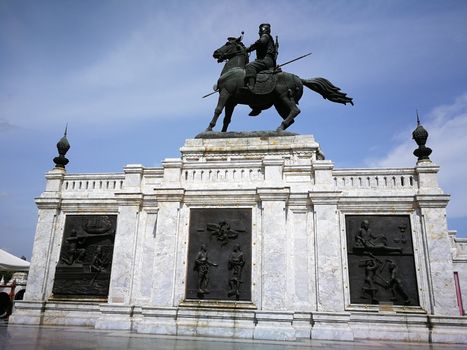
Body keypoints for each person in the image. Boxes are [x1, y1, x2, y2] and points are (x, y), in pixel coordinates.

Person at [243, 23, 277, 92]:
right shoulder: (268, 37)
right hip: (268, 61)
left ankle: (251, 86)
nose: (259, 32)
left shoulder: (265, 36)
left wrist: (248, 49)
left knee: (250, 66)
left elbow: (260, 42)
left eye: (260, 30)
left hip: (265, 60)